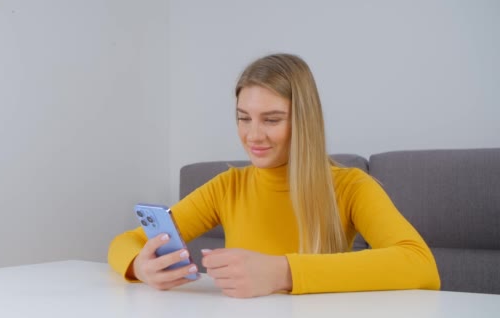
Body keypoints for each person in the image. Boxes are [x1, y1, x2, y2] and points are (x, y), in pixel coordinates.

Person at [108, 53, 441, 298]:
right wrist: (139, 266)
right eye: (244, 118)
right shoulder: (227, 187)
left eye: (271, 120)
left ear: (303, 121)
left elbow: (420, 265)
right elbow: (126, 241)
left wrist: (283, 272)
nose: (253, 136)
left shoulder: (350, 187)